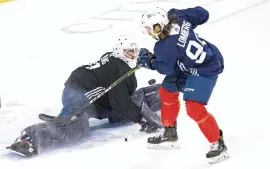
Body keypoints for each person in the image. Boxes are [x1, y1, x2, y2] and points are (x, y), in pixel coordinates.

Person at [7, 35, 162, 157]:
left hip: (91, 94)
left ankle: (162, 94)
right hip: (79, 90)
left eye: (135, 51)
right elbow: (119, 103)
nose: (133, 54)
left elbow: (119, 98)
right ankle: (29, 140)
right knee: (76, 128)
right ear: (119, 52)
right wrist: (141, 119)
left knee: (130, 102)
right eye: (129, 51)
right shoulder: (118, 69)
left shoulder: (115, 61)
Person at [137, 6, 228, 163]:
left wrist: (151, 61)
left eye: (151, 28)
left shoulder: (163, 47)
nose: (150, 33)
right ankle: (169, 132)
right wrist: (186, 32)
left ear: (160, 25)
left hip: (206, 67)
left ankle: (217, 143)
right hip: (197, 59)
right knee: (166, 91)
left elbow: (165, 68)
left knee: (194, 107)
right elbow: (203, 14)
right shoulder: (176, 15)